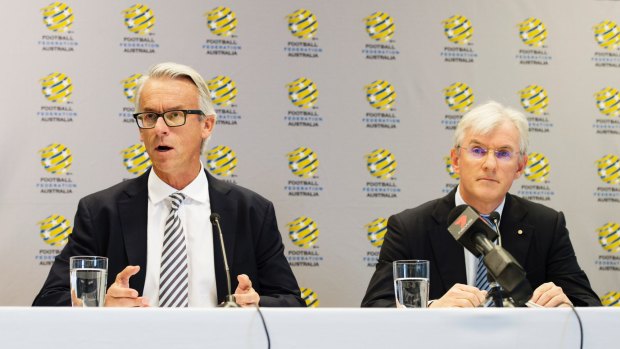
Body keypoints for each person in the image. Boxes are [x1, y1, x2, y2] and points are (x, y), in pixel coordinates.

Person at [33, 62, 305, 308]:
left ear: (207, 125)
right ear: (141, 130)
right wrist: (102, 305)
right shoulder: (101, 211)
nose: (160, 128)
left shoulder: (251, 211)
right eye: (150, 117)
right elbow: (48, 301)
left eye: (175, 115)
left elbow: (291, 302)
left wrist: (257, 306)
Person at [362, 101, 601, 308]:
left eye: (504, 153)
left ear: (520, 167)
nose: (489, 164)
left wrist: (565, 304)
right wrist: (431, 308)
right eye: (477, 150)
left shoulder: (546, 225)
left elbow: (589, 305)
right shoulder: (410, 228)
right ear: (456, 160)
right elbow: (375, 308)